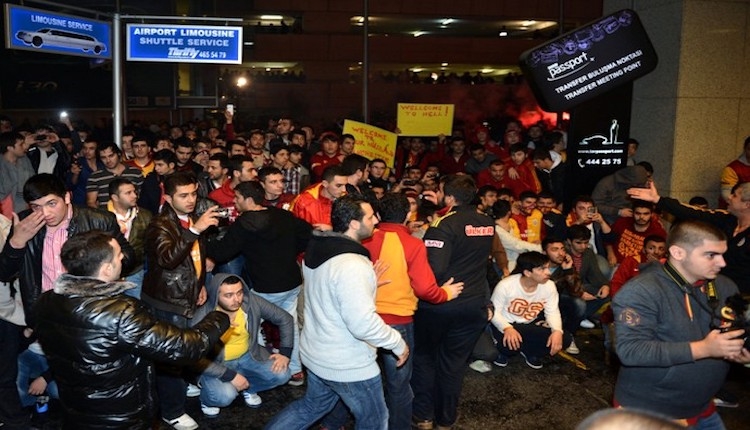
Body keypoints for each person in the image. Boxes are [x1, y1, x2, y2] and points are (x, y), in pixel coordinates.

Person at [32, 230, 230, 429]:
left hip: (76, 411)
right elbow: (184, 348)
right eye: (119, 255)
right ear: (107, 269)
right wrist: (219, 317)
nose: (123, 258)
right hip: (121, 417)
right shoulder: (119, 312)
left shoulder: (45, 301)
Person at [265, 195, 408, 430]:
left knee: (310, 407)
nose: (376, 220)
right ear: (353, 223)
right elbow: (362, 324)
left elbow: (330, 296)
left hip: (317, 353)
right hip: (347, 363)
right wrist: (397, 343)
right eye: (370, 216)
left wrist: (368, 284)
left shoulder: (318, 249)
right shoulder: (353, 264)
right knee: (375, 421)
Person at [612, 220, 750, 428]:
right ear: (678, 253)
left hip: (701, 406)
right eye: (711, 255)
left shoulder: (724, 286)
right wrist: (704, 349)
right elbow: (630, 350)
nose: (723, 263)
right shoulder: (640, 291)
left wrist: (742, 355)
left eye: (722, 254)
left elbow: (735, 331)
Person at [206, 180, 312, 388]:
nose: (234, 202)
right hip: (291, 281)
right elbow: (307, 233)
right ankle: (295, 370)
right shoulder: (282, 215)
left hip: (266, 285)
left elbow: (222, 252)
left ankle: (265, 368)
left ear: (248, 199)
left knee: (252, 324)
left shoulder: (245, 223)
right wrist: (289, 250)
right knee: (289, 322)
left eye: (237, 198)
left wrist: (203, 238)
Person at [141, 171, 223, 430]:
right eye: (183, 196)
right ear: (167, 197)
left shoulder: (189, 219)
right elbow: (168, 259)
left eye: (193, 194)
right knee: (171, 358)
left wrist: (199, 285)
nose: (190, 200)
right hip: (167, 300)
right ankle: (171, 412)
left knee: (183, 351)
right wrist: (196, 229)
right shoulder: (159, 225)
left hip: (185, 294)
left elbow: (195, 258)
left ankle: (177, 392)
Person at [412, 174, 495, 429]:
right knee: (454, 364)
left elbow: (433, 270)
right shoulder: (487, 222)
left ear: (448, 196)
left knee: (425, 358)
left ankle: (423, 416)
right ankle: (445, 420)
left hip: (442, 303)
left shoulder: (443, 225)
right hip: (473, 304)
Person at [194, 274, 293, 417]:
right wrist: (230, 375)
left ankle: (247, 387)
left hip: (248, 356)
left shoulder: (251, 302)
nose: (237, 299)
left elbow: (285, 318)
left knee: (283, 373)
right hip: (217, 364)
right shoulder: (203, 316)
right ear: (216, 295)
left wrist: (285, 353)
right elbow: (196, 359)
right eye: (229, 295)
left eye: (239, 292)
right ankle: (208, 400)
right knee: (224, 396)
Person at [628, 181, 750, 295]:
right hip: (715, 288)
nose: (729, 197)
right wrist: (658, 200)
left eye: (734, 195)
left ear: (747, 204)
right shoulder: (727, 219)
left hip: (742, 295)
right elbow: (692, 213)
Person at [489, 252, 567, 369]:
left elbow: (552, 311)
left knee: (565, 339)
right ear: (527, 273)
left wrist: (557, 331)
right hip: (507, 325)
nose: (548, 272)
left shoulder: (549, 286)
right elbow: (494, 312)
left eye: (547, 268)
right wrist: (507, 328)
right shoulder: (506, 285)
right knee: (509, 347)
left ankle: (529, 350)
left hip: (529, 325)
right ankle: (520, 348)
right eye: (542, 269)